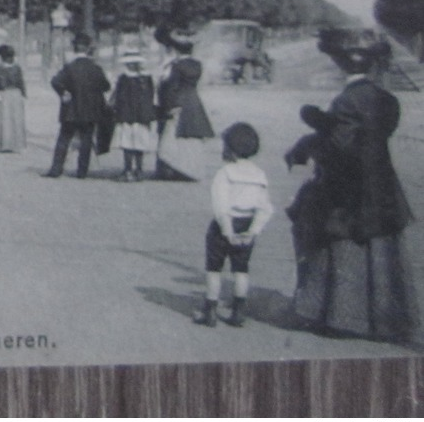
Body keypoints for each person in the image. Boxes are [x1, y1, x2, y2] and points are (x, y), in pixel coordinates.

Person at [285, 31, 418, 343]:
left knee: (342, 243)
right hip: (380, 182)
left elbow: (340, 145)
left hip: (347, 183)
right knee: (383, 245)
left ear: (340, 66)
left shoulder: (345, 100)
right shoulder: (385, 99)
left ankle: (343, 316)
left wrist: (311, 138)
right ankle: (386, 317)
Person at [194, 122, 274, 327]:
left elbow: (220, 205)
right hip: (247, 224)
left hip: (223, 226)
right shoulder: (259, 174)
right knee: (241, 269)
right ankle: (238, 311)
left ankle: (210, 310)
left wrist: (227, 231)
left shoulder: (225, 172)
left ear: (229, 148)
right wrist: (253, 231)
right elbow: (265, 207)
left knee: (214, 268)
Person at [45, 32, 110, 178]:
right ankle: (82, 171)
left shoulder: (69, 67)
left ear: (74, 48)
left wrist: (63, 93)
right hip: (90, 110)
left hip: (71, 110)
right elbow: (106, 86)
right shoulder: (95, 68)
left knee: (64, 138)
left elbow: (55, 81)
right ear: (88, 49)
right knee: (86, 140)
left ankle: (56, 169)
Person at [154, 24, 214, 181]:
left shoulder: (176, 66)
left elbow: (171, 86)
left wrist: (167, 105)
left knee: (172, 138)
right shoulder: (197, 65)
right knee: (191, 138)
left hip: (178, 102)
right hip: (193, 101)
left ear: (178, 50)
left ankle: (172, 169)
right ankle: (191, 168)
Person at [109, 48, 157, 181]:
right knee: (139, 143)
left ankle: (128, 169)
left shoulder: (124, 78)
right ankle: (139, 170)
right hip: (142, 117)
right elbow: (151, 97)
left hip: (127, 116)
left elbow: (119, 98)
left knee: (127, 143)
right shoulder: (146, 78)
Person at [0, 44, 26, 154]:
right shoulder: (17, 68)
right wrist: (23, 95)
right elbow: (21, 83)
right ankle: (14, 144)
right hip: (15, 95)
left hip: (3, 95)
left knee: (0, 121)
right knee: (15, 120)